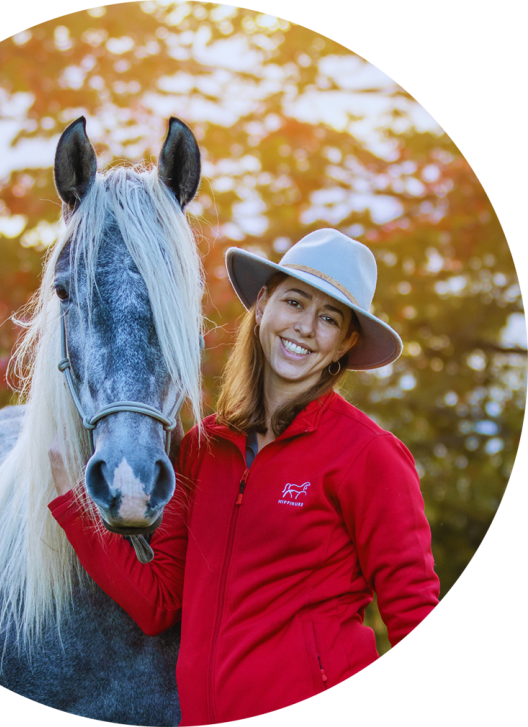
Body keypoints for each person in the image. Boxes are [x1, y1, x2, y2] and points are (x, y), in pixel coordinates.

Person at [48, 228, 441, 725]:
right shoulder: (201, 450)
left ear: (344, 344)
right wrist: (73, 500)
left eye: (329, 319)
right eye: (294, 302)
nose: (304, 327)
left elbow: (414, 612)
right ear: (262, 304)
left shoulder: (369, 456)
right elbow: (158, 605)